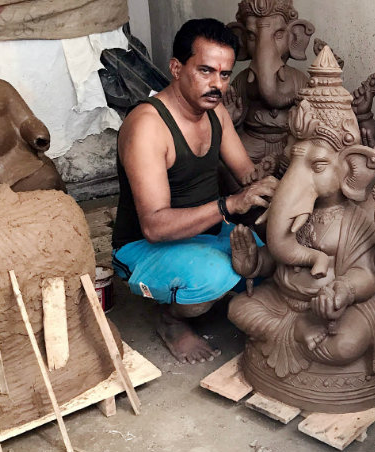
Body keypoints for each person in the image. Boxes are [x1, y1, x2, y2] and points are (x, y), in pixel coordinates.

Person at [112, 18, 277, 363]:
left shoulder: (215, 113)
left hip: (207, 233)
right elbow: (154, 227)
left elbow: (246, 175)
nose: (217, 85)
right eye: (205, 71)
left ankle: (211, 290)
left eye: (225, 74)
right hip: (143, 246)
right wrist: (230, 205)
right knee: (215, 275)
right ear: (176, 68)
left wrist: (271, 178)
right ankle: (170, 320)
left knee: (272, 259)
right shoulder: (148, 126)